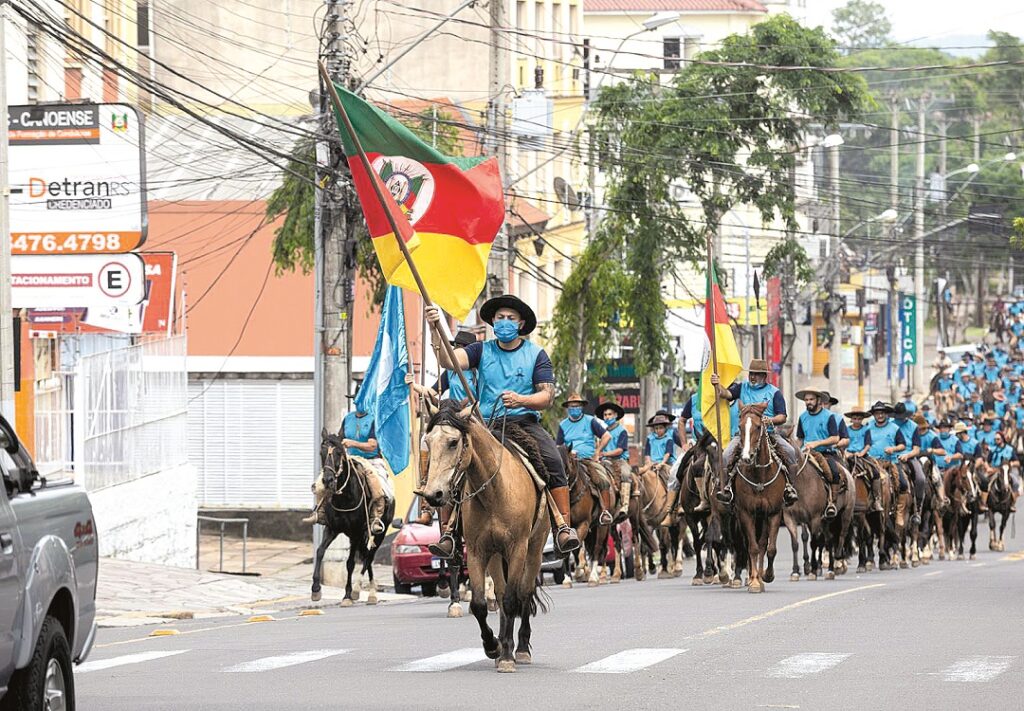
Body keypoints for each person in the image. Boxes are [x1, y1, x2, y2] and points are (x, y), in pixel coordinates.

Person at [425, 294, 580, 556]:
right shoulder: (480, 350)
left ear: (520, 324)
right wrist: (434, 328)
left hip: (524, 422)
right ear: (493, 322)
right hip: (486, 425)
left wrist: (522, 399)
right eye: (499, 318)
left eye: (510, 318)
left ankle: (563, 526)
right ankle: (449, 532)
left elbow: (547, 396)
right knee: (452, 460)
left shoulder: (536, 354)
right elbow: (448, 361)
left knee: (553, 459)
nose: (504, 323)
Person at [711, 358, 799, 505]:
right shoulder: (742, 388)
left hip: (769, 433)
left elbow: (782, 416)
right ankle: (726, 489)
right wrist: (717, 384)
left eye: (757, 374)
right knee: (726, 456)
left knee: (790, 452)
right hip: (744, 435)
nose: (752, 377)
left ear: (764, 376)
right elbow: (726, 394)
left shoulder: (774, 393)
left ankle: (791, 488)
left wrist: (768, 420)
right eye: (751, 373)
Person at [302, 391, 391, 534]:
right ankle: (320, 512)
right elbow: (340, 438)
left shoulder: (374, 419)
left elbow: (372, 445)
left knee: (378, 487)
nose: (358, 403)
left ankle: (376, 517)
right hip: (351, 458)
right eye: (356, 400)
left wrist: (353, 443)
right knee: (321, 482)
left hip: (371, 460)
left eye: (362, 400)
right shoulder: (348, 419)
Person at [557, 394, 613, 525]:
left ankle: (605, 512)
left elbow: (606, 436)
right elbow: (558, 446)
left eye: (577, 406)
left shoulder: (590, 421)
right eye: (572, 406)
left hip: (587, 459)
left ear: (582, 407)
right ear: (567, 408)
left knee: (602, 479)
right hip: (569, 461)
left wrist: (597, 452)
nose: (574, 408)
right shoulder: (563, 425)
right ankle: (552, 512)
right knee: (553, 480)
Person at [795, 389, 842, 518]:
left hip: (825, 453)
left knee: (834, 473)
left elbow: (835, 438)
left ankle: (831, 502)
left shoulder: (829, 416)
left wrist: (817, 443)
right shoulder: (802, 417)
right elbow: (800, 439)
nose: (808, 402)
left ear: (818, 400)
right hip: (805, 454)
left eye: (811, 399)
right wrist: (794, 449)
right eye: (806, 400)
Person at [866, 401, 909, 520]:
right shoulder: (868, 427)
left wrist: (893, 448)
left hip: (890, 462)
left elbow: (903, 445)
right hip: (871, 462)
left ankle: (899, 512)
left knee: (903, 484)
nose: (880, 416)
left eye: (882, 413)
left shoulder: (894, 428)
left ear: (886, 414)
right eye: (877, 413)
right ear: (874, 415)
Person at [596, 401, 632, 522]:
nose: (607, 417)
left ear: (615, 415)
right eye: (605, 415)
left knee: (626, 474)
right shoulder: (603, 432)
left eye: (609, 414)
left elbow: (620, 450)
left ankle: (624, 505)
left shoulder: (622, 431)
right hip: (605, 461)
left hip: (620, 460)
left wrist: (604, 453)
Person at [893, 403, 926, 526]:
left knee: (921, 479)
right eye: (898, 416)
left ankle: (917, 509)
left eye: (902, 416)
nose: (900, 419)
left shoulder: (913, 426)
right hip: (891, 457)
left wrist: (907, 455)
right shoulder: (890, 424)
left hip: (909, 456)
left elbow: (916, 449)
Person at [845, 409, 882, 512]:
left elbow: (868, 444)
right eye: (855, 418)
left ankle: (876, 499)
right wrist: (846, 453)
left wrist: (861, 453)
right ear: (851, 419)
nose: (857, 421)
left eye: (859, 419)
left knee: (875, 472)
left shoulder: (866, 430)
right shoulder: (847, 430)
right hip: (848, 455)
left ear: (862, 419)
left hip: (862, 455)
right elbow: (843, 442)